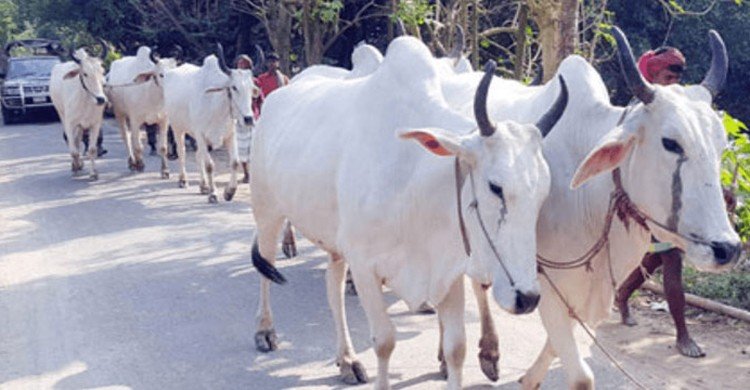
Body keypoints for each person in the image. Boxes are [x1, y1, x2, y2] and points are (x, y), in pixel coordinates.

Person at [615, 46, 705, 358]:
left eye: (677, 78)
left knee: (657, 259)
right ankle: (682, 335)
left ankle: (623, 296)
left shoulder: (682, 110)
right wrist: (622, 196)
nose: (673, 83)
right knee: (670, 260)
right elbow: (617, 156)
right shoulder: (636, 110)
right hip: (645, 199)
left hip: (674, 199)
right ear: (653, 74)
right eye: (668, 76)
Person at [234, 54, 260, 183]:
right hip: (239, 118)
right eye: (239, 64)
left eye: (244, 64)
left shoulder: (254, 81)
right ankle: (246, 173)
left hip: (252, 116)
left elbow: (260, 97)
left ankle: (254, 172)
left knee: (254, 146)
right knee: (241, 147)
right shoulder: (232, 82)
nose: (241, 66)